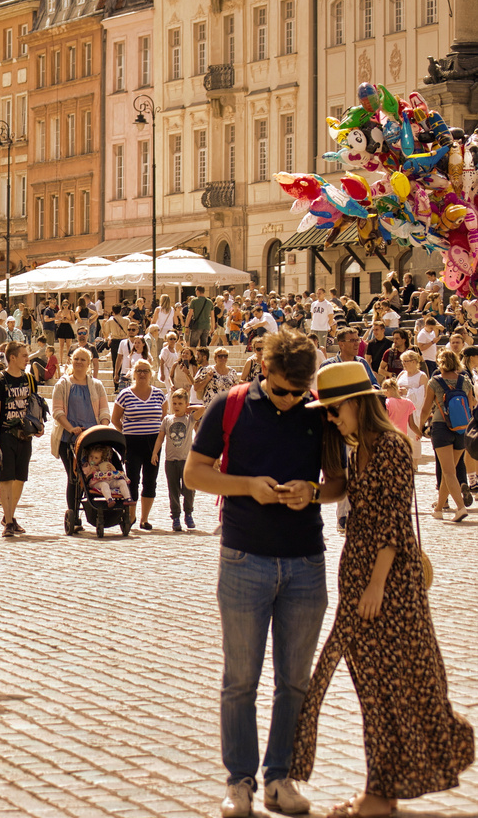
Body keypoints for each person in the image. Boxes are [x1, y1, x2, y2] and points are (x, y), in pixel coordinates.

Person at [291, 365, 475, 817]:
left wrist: (375, 584)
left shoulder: (391, 446)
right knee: (373, 687)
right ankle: (382, 786)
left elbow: (393, 521)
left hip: (388, 586)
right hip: (364, 576)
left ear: (357, 403)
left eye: (334, 410)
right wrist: (312, 493)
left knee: (392, 686)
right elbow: (350, 495)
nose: (332, 419)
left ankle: (384, 788)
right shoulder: (361, 449)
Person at [185, 329, 338, 818]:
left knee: (294, 682)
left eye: (300, 391)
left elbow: (338, 482)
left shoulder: (317, 412)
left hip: (306, 562)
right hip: (243, 559)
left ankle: (280, 779)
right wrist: (247, 486)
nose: (293, 399)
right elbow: (194, 473)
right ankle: (239, 783)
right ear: (263, 370)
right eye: (283, 390)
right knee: (240, 680)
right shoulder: (229, 406)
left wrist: (311, 493)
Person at [0, 342, 41, 538]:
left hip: (25, 436)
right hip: (6, 435)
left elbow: (34, 405)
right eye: (24, 355)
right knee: (6, 479)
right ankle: (8, 521)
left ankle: (10, 515)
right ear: (13, 358)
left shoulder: (29, 379)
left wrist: (38, 425)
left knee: (20, 479)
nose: (27, 358)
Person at [51, 348, 109, 535]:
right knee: (75, 477)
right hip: (70, 438)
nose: (79, 362)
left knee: (92, 476)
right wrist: (71, 428)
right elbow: (58, 411)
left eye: (83, 359)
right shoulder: (63, 384)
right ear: (71, 361)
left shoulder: (97, 385)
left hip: (92, 438)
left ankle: (94, 509)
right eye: (76, 359)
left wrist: (104, 426)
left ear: (89, 363)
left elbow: (104, 411)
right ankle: (74, 515)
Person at [113, 360, 168, 530]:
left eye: (145, 371)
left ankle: (145, 518)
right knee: (132, 479)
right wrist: (128, 431)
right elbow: (115, 419)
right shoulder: (125, 394)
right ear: (133, 373)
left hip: (153, 443)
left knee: (150, 480)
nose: (142, 374)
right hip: (132, 442)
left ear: (151, 373)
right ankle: (131, 515)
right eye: (138, 371)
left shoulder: (159, 394)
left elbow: (164, 419)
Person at [420, 349, 473, 523]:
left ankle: (460, 508)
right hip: (462, 428)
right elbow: (471, 406)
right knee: (449, 471)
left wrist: (420, 427)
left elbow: (426, 407)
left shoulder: (434, 382)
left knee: (448, 471)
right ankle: (438, 509)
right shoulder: (465, 381)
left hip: (442, 427)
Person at [157, 387, 197, 531]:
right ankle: (175, 516)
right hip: (171, 461)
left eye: (180, 403)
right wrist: (155, 453)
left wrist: (189, 407)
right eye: (174, 403)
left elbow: (203, 409)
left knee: (189, 489)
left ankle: (188, 513)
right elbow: (160, 438)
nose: (177, 406)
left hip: (186, 461)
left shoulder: (189, 419)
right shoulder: (167, 420)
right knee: (173, 490)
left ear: (185, 404)